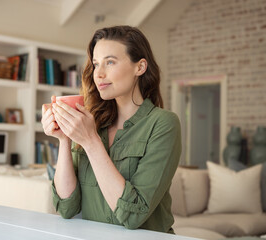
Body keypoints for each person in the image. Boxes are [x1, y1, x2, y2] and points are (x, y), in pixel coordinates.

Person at [41, 25, 181, 233]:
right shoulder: (92, 123)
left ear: (140, 67)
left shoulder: (163, 124)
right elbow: (66, 207)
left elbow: (134, 216)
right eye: (96, 64)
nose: (99, 73)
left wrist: (90, 141)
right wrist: (64, 139)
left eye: (110, 62)